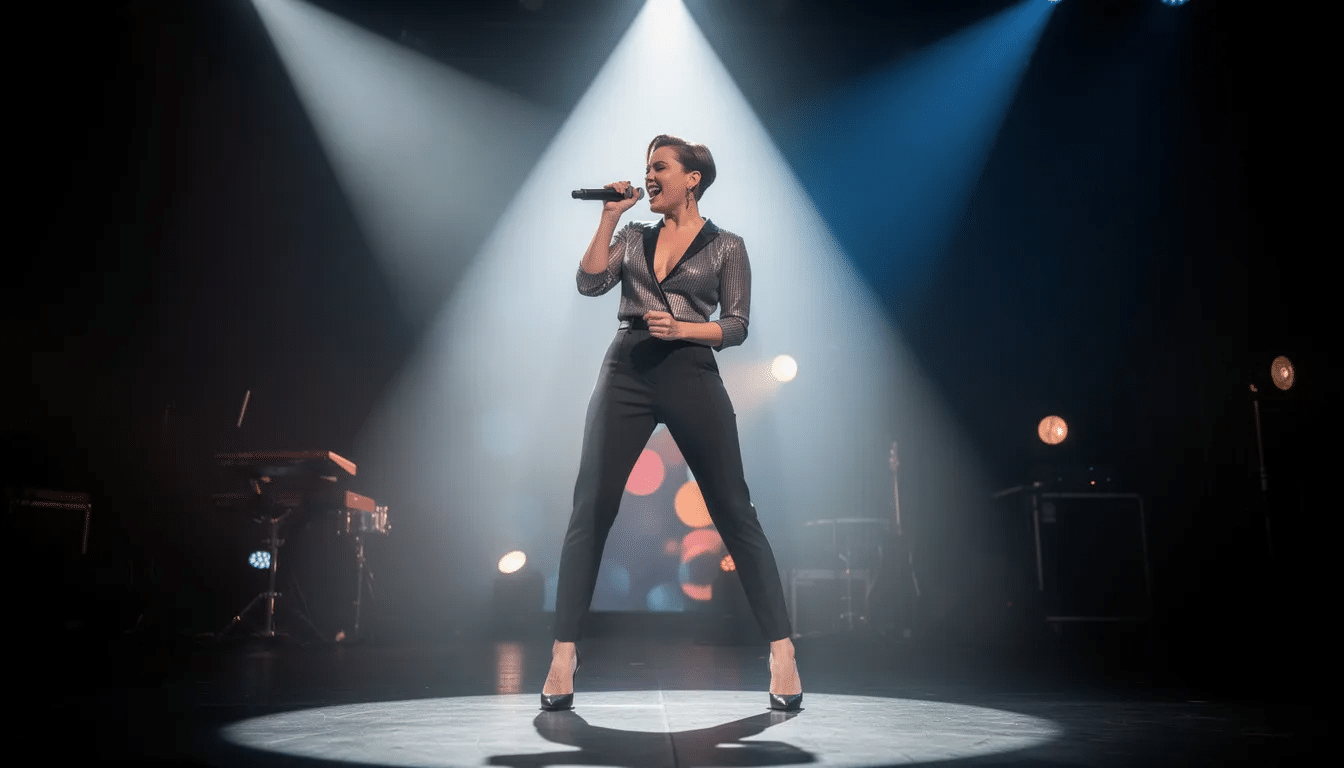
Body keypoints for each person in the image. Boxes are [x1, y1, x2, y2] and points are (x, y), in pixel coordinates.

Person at [541, 134, 803, 712]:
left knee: (734, 510)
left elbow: (735, 325)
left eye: (659, 168)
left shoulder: (727, 245)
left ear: (693, 178)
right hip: (628, 366)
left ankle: (781, 650)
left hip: (690, 370)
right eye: (645, 169)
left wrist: (684, 329)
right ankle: (564, 653)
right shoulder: (635, 235)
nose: (649, 177)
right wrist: (610, 217)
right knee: (591, 509)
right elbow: (589, 282)